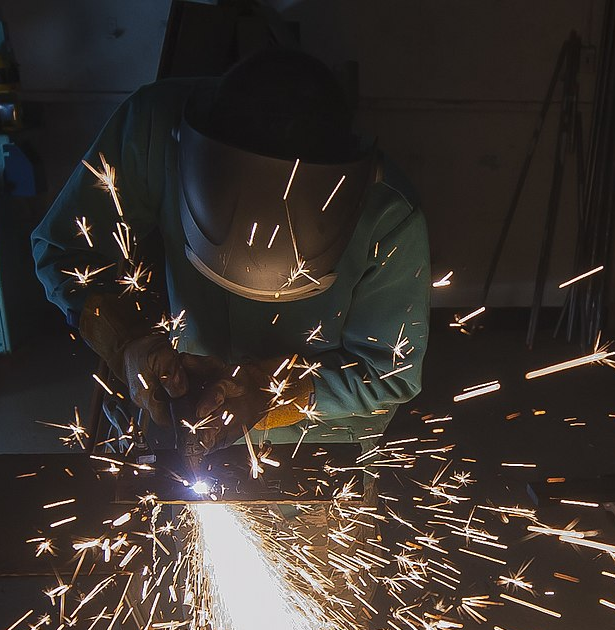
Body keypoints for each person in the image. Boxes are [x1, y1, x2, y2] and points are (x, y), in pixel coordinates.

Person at [31, 47, 430, 455]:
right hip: (182, 400)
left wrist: (276, 392)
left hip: (317, 433)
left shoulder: (388, 212)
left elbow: (389, 371)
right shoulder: (152, 128)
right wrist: (125, 341)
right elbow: (64, 249)